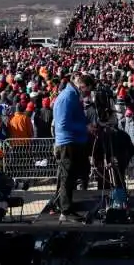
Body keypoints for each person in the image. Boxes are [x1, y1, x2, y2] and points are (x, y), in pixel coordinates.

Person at [52, 74, 92, 221]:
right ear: (82, 85)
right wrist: (85, 127)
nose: (87, 94)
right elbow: (62, 124)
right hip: (67, 143)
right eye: (87, 90)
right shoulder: (68, 96)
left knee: (72, 175)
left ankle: (64, 205)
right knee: (67, 177)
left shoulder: (73, 95)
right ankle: (65, 211)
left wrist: (87, 124)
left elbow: (75, 117)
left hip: (73, 142)